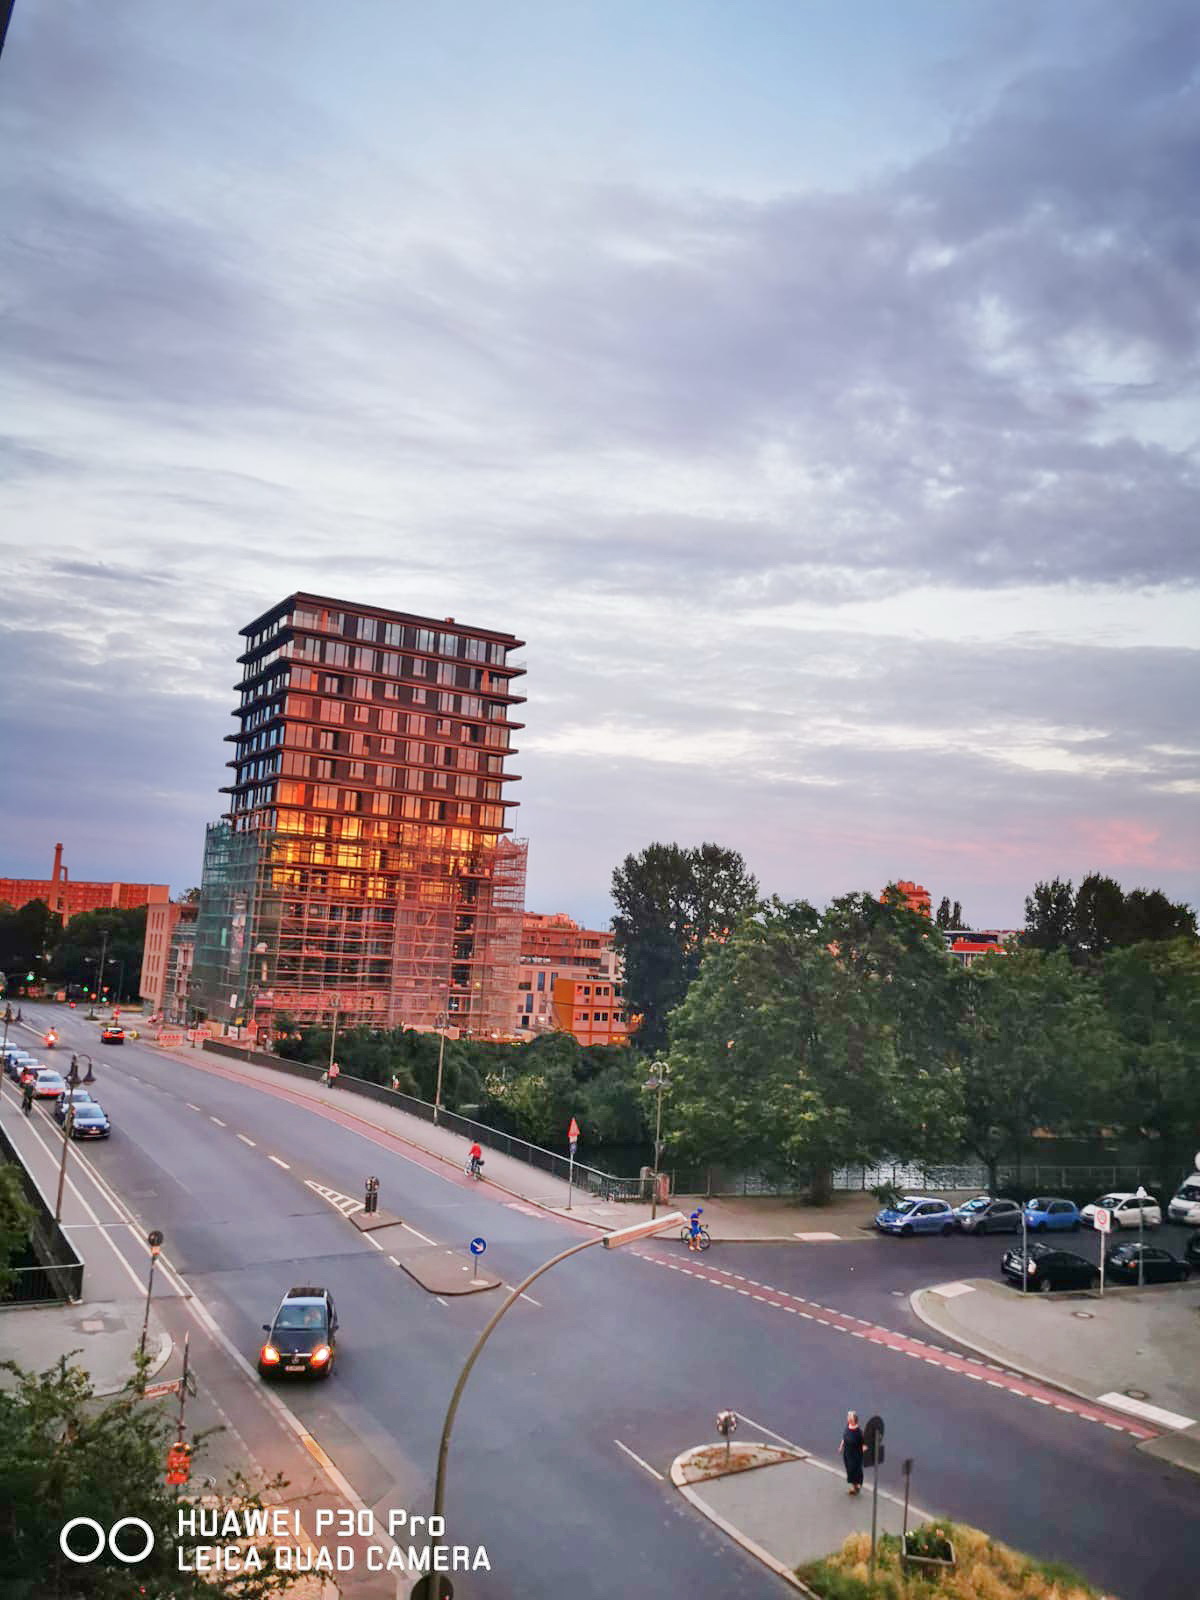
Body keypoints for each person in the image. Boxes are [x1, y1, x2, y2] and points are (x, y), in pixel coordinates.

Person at [840, 1410, 864, 1495]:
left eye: (850, 1417)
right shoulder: (848, 1426)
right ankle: (854, 1486)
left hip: (855, 1455)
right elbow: (845, 1436)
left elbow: (864, 1444)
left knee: (855, 1470)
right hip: (847, 1452)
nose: (848, 1418)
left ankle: (857, 1485)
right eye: (848, 1416)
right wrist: (841, 1446)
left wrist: (863, 1450)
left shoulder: (859, 1432)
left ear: (854, 1419)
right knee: (849, 1470)